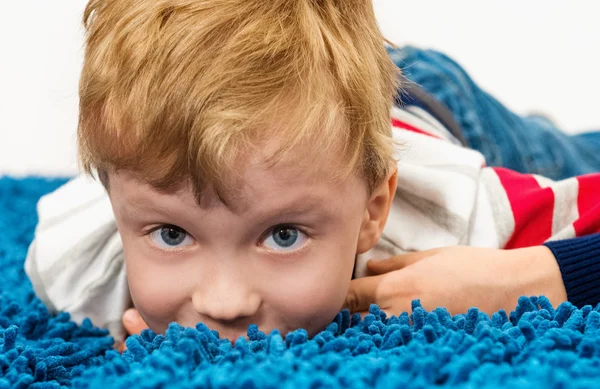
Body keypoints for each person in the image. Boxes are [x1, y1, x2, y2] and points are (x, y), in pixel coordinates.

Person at [24, 0, 600, 347]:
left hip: (438, 103)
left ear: (373, 212)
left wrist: (552, 271)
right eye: (173, 235)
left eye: (282, 235)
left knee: (565, 151)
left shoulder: (464, 215)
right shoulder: (75, 265)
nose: (225, 303)